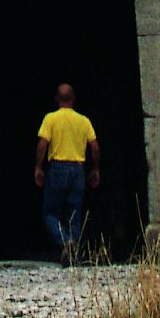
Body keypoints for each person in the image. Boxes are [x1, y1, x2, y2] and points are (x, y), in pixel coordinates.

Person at [34, 82, 103, 260]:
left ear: (56, 99)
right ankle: (75, 253)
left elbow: (42, 144)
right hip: (78, 170)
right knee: (74, 213)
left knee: (50, 212)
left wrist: (38, 167)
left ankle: (65, 241)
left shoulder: (50, 118)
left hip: (57, 168)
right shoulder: (83, 120)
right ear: (74, 99)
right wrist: (95, 169)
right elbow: (95, 147)